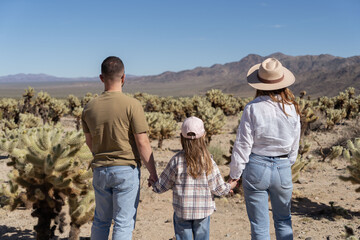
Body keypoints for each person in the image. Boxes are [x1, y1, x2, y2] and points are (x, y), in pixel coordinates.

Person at [81, 56, 158, 240]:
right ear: (124, 78)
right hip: (125, 171)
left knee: (100, 220)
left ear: (101, 78)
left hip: (100, 170)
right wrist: (153, 173)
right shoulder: (132, 105)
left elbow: (89, 142)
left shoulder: (89, 108)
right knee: (123, 223)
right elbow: (143, 143)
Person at [228, 58, 301, 240]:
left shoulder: (252, 108)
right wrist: (285, 164)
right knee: (284, 220)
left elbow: (243, 144)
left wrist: (235, 174)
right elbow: (294, 144)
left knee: (259, 225)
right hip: (283, 166)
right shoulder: (292, 109)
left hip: (256, 167)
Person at [150, 116, 237, 240]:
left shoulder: (176, 160)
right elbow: (218, 188)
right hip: (203, 212)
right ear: (204, 136)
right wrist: (230, 186)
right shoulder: (208, 161)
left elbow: (162, 186)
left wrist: (154, 184)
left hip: (182, 211)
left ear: (181, 137)